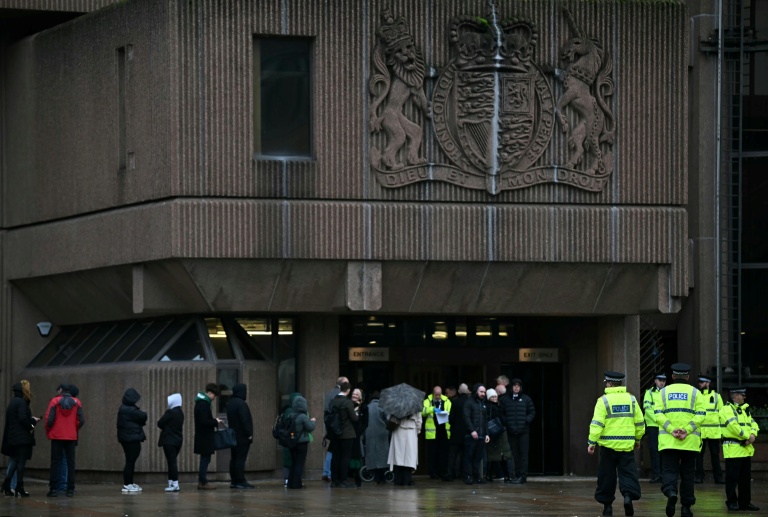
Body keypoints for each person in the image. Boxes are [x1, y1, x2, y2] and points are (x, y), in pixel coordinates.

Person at [588, 371, 645, 517]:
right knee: (628, 473)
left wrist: (592, 442)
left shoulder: (603, 401)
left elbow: (597, 424)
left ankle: (607, 506)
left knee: (607, 476)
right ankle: (627, 497)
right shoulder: (631, 400)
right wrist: (637, 439)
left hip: (608, 446)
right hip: (627, 445)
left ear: (609, 383)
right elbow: (639, 423)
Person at [654, 363, 706, 517]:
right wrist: (687, 430)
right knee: (688, 475)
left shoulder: (663, 393)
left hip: (669, 442)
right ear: (688, 377)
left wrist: (671, 430)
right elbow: (701, 415)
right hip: (689, 442)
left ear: (672, 376)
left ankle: (671, 492)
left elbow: (657, 414)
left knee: (669, 471)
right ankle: (686, 508)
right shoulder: (696, 393)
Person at [719, 386, 759, 512]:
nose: (744, 397)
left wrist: (753, 435)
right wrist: (748, 436)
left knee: (745, 479)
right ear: (735, 395)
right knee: (732, 479)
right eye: (742, 395)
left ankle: (745, 502)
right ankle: (731, 502)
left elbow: (754, 424)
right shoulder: (726, 409)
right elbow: (733, 426)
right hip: (733, 449)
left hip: (745, 449)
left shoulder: (745, 409)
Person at [45, 384, 84, 497]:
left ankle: (53, 489)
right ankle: (70, 489)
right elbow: (81, 420)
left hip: (57, 436)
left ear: (61, 390)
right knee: (71, 463)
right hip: (71, 436)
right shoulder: (77, 402)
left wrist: (49, 430)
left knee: (55, 462)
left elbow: (49, 419)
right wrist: (73, 427)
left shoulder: (54, 401)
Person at [1, 381, 39, 497]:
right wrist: (32, 423)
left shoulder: (13, 403)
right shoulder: (21, 403)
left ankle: (7, 485)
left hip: (13, 437)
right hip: (22, 438)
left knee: (14, 461)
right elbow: (23, 419)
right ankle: (19, 486)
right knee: (21, 463)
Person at [499, 377, 535, 484]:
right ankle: (515, 475)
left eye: (518, 386)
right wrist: (507, 423)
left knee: (523, 454)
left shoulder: (526, 399)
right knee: (514, 455)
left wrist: (526, 420)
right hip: (511, 431)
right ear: (511, 387)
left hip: (523, 431)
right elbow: (501, 413)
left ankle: (523, 476)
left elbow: (532, 412)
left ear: (520, 387)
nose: (516, 387)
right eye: (514, 385)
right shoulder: (505, 400)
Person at [694, 374, 724, 484]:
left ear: (708, 383)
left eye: (702, 382)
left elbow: (722, 413)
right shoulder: (697, 395)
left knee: (715, 456)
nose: (700, 384)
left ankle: (718, 477)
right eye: (699, 382)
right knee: (698, 456)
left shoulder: (716, 396)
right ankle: (699, 476)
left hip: (714, 432)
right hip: (700, 431)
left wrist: (722, 431)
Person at [116, 388, 147, 493]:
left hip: (128, 437)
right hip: (131, 438)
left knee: (130, 461)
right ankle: (127, 484)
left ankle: (129, 483)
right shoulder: (129, 410)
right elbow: (143, 416)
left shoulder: (124, 408)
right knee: (130, 461)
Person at [329, 381, 358, 488]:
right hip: (347, 434)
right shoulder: (347, 402)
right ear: (348, 390)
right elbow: (354, 418)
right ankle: (343, 480)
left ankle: (334, 480)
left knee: (335, 457)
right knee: (345, 457)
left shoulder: (333, 401)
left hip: (335, 434)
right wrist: (357, 413)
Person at [194, 383, 223, 490]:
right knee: (205, 459)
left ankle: (202, 481)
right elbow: (204, 421)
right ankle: (203, 481)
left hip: (203, 436)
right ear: (210, 393)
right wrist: (215, 421)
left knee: (205, 459)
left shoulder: (201, 403)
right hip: (205, 437)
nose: (214, 398)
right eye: (214, 395)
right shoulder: (204, 404)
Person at [227, 383, 254, 489]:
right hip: (242, 436)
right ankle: (240, 480)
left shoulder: (231, 403)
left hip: (233, 436)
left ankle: (234, 480)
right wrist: (249, 434)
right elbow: (245, 420)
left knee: (234, 458)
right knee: (240, 459)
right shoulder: (241, 404)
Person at [422, 385, 451, 480]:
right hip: (432, 432)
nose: (438, 396)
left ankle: (443, 472)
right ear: (433, 393)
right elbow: (422, 412)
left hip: (443, 431)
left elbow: (450, 412)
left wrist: (444, 413)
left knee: (443, 454)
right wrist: (432, 409)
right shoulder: (427, 401)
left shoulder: (446, 401)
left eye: (439, 394)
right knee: (432, 454)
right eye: (436, 395)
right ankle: (433, 473)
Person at [323, 376, 349, 482]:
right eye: (347, 383)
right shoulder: (338, 394)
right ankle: (329, 473)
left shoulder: (330, 392)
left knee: (332, 448)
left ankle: (327, 472)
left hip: (331, 424)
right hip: (336, 425)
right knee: (334, 449)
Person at [462, 383, 489, 485]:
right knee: (469, 456)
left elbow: (486, 420)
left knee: (478, 457)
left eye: (484, 392)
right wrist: (472, 430)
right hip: (471, 435)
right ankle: (468, 476)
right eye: (481, 392)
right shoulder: (469, 402)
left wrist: (487, 433)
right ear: (476, 391)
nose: (483, 394)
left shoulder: (483, 404)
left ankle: (477, 476)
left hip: (481, 435)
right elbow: (466, 417)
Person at [287, 394, 316, 489]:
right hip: (302, 443)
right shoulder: (303, 417)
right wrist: (313, 421)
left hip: (292, 443)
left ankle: (290, 483)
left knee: (293, 463)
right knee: (299, 464)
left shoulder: (290, 415)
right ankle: (297, 484)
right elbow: (310, 427)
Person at [485, 388, 513, 483]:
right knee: (494, 455)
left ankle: (507, 475)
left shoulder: (500, 406)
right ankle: (491, 475)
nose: (494, 398)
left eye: (495, 396)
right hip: (493, 433)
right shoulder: (488, 407)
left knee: (503, 454)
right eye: (492, 396)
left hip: (501, 432)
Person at [157, 392, 184, 492]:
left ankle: (174, 483)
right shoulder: (180, 413)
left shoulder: (170, 412)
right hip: (178, 440)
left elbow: (160, 423)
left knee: (171, 462)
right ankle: (172, 482)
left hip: (169, 440)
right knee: (172, 462)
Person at [643, 372, 666, 483]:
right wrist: (660, 420)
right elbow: (647, 409)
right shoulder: (649, 393)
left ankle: (664, 475)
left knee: (664, 451)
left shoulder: (667, 393)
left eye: (663, 380)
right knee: (654, 450)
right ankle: (656, 475)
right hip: (653, 425)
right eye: (660, 380)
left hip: (665, 427)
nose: (662, 382)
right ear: (655, 381)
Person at [388, 410, 422, 486]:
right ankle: (407, 479)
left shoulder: (396, 405)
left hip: (398, 430)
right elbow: (419, 422)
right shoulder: (415, 405)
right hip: (411, 431)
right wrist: (418, 431)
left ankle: (398, 480)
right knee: (409, 457)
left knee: (398, 456)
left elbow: (389, 417)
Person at [363, 391, 389, 484]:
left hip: (369, 434)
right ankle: (381, 478)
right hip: (382, 434)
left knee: (373, 456)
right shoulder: (382, 407)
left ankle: (376, 477)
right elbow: (387, 420)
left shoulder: (367, 407)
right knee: (382, 456)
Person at [446, 383, 470, 481]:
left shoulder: (455, 402)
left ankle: (450, 474)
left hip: (456, 432)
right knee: (466, 454)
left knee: (453, 454)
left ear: (459, 392)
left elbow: (451, 418)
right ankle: (464, 474)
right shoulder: (470, 402)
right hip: (467, 432)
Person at [350, 388, 368, 486]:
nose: (354, 395)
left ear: (360, 396)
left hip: (357, 436)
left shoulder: (364, 407)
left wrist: (359, 432)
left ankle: (357, 479)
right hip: (348, 435)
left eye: (356, 394)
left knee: (356, 457)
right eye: (353, 394)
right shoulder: (348, 405)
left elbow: (366, 423)